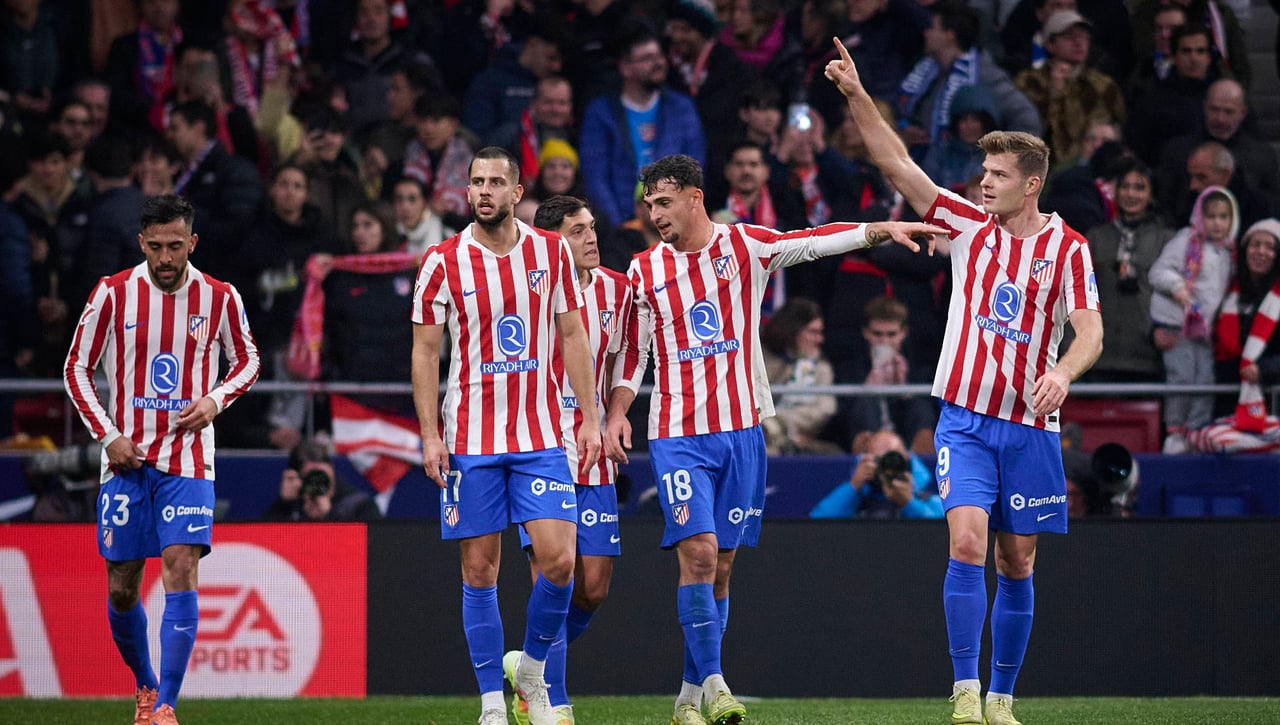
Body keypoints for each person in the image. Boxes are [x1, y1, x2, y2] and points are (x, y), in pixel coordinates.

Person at [602, 152, 943, 725]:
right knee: (700, 553)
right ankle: (717, 684)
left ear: (693, 196)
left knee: (725, 563)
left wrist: (883, 228)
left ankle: (689, 696)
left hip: (742, 431)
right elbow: (633, 352)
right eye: (649, 203)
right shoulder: (643, 270)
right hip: (677, 432)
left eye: (663, 202)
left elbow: (814, 240)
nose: (654, 214)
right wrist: (617, 414)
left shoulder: (744, 247)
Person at [827, 35, 1102, 725]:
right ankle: (965, 690)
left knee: (1017, 560)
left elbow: (1091, 328)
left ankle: (1004, 697)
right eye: (983, 168)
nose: (984, 180)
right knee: (969, 541)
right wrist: (859, 94)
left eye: (999, 172)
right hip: (966, 419)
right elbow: (896, 162)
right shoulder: (967, 225)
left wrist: (1064, 372)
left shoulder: (1068, 248)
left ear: (1031, 182)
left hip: (1031, 426)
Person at [410, 147, 602, 725]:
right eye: (476, 182)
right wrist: (428, 435)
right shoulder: (442, 260)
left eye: (496, 181)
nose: (485, 190)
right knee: (480, 571)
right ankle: (493, 704)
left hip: (541, 434)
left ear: (518, 191)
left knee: (560, 562)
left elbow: (572, 335)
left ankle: (533, 671)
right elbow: (425, 351)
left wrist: (589, 417)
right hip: (470, 437)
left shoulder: (550, 252)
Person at [62, 194, 262, 725]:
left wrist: (215, 402)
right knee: (122, 584)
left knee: (181, 568)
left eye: (176, 246)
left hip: (189, 461)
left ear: (192, 242)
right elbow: (75, 369)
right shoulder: (112, 294)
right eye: (156, 247)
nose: (166, 258)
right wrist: (108, 437)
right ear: (141, 244)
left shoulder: (220, 297)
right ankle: (146, 684)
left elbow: (248, 360)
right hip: (125, 461)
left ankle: (167, 705)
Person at [501, 195, 633, 725]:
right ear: (553, 240)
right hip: (542, 448)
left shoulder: (617, 291)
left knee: (593, 587)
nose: (592, 238)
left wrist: (616, 411)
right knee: (553, 573)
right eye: (578, 232)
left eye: (593, 228)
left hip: (594, 447)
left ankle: (526, 664)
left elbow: (627, 356)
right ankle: (550, 701)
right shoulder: (525, 290)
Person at [1149, 185, 1238, 454]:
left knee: (1205, 382)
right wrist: (1178, 288)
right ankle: (1175, 434)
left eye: (1224, 217)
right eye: (1211, 216)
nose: (1217, 223)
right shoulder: (1187, 240)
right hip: (1177, 325)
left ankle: (1196, 433)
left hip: (1203, 330)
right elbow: (1158, 272)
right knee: (1182, 380)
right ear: (1201, 216)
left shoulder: (1228, 253)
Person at [760, 297, 841, 455]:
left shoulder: (821, 367)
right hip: (759, 436)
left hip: (794, 439)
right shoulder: (759, 357)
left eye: (820, 332)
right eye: (813, 332)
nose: (820, 339)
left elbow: (824, 409)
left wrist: (777, 423)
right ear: (792, 330)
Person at [809, 429, 942, 519]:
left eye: (893, 457)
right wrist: (854, 487)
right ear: (866, 459)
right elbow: (817, 522)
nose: (887, 467)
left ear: (907, 458)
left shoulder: (925, 498)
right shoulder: (856, 498)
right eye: (879, 460)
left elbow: (943, 531)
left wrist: (909, 503)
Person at [262, 438, 383, 521]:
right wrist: (283, 503)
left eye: (324, 477)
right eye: (312, 477)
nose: (319, 483)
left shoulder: (360, 506)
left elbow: (369, 549)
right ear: (298, 479)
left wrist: (329, 516)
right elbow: (265, 548)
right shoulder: (291, 505)